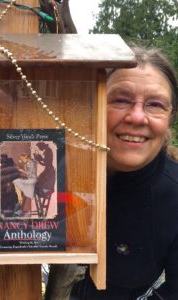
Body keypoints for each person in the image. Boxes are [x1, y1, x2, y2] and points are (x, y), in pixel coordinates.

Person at [71, 46, 178, 299]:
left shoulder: (174, 198)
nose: (137, 117)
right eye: (120, 100)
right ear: (94, 104)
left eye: (155, 104)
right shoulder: (52, 166)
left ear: (170, 118)